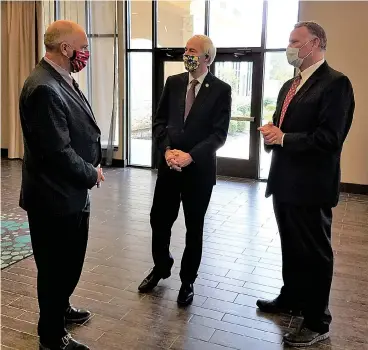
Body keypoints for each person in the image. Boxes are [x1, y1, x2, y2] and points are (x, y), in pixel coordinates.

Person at [257, 21, 355, 347]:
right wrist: (273, 136)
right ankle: (292, 298)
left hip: (311, 188)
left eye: (294, 41)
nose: (290, 46)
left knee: (315, 254)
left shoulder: (336, 84)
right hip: (284, 184)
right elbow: (283, 128)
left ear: (314, 44)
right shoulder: (290, 85)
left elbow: (329, 138)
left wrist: (283, 137)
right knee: (291, 248)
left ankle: (317, 320)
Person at [19, 20, 104, 350]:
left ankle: (60, 308)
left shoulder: (60, 78)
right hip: (53, 197)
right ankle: (51, 337)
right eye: (82, 46)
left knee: (68, 262)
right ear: (65, 49)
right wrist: (91, 173)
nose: (86, 52)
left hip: (70, 193)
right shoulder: (43, 87)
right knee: (54, 269)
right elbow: (57, 152)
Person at [138, 35, 232, 306]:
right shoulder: (174, 82)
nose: (186, 54)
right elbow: (159, 122)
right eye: (186, 50)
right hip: (169, 168)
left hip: (198, 172)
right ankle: (161, 266)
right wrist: (167, 150)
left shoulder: (221, 89)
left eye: (192, 50)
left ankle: (188, 280)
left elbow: (219, 135)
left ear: (206, 57)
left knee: (194, 228)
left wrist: (191, 156)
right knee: (159, 220)